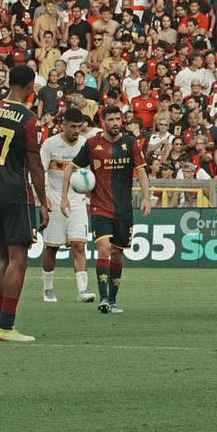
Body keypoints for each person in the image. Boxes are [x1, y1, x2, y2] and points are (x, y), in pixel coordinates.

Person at [62, 105, 153, 314]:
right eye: (110, 119)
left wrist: (147, 198)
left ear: (122, 121)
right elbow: (70, 169)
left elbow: (141, 172)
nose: (115, 123)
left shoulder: (131, 143)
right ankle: (103, 299)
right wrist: (64, 198)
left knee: (117, 254)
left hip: (123, 209)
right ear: (103, 122)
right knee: (104, 248)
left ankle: (113, 299)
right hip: (99, 207)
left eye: (117, 119)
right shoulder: (92, 144)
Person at [0, 64, 49, 343]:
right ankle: (6, 326)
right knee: (18, 260)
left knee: (5, 260)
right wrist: (44, 202)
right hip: (16, 193)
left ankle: (0, 322)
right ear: (31, 87)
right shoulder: (29, 119)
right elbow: (35, 167)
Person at [39, 108, 96, 304]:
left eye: (80, 127)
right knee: (51, 248)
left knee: (79, 245)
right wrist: (44, 198)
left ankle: (83, 290)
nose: (76, 131)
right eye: (72, 126)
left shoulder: (85, 144)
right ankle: (48, 289)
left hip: (77, 201)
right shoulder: (50, 144)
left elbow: (90, 173)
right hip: (54, 199)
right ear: (63, 125)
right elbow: (39, 172)